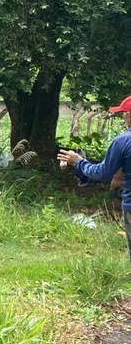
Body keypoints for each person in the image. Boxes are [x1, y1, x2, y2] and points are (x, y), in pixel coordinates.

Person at [58, 96, 131, 263]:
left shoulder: (123, 141)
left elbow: (102, 173)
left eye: (123, 115)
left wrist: (78, 162)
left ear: (128, 116)